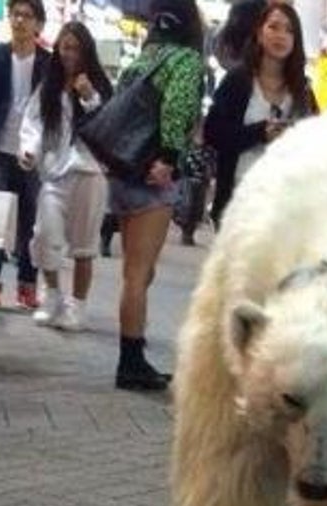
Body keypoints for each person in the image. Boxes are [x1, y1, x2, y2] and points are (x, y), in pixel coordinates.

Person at [108, 0, 205, 391]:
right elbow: (177, 108)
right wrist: (167, 156)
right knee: (138, 273)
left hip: (124, 169)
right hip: (154, 173)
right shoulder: (186, 60)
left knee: (135, 270)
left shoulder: (144, 58)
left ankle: (133, 354)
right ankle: (130, 360)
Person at [18, 21, 113, 332]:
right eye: (64, 47)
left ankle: (77, 306)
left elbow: (108, 125)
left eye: (75, 47)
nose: (69, 53)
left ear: (86, 51)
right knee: (44, 235)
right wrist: (29, 150)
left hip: (89, 171)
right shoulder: (49, 85)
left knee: (84, 245)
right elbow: (33, 122)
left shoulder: (99, 84)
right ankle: (52, 296)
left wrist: (89, 97)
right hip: (54, 173)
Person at [204, 1, 318, 227]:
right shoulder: (238, 81)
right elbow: (213, 133)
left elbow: (317, 144)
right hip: (238, 201)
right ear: (259, 32)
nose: (281, 35)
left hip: (285, 207)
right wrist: (260, 133)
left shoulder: (302, 91)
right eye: (273, 26)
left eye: (289, 30)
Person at [0, 0, 50, 311]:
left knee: (32, 220)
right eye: (15, 14)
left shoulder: (48, 63)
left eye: (27, 16)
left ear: (38, 25)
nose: (19, 21)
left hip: (32, 153)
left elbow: (53, 111)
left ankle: (27, 285)